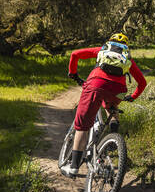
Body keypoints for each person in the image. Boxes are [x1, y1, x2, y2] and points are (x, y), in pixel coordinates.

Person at [61, 33, 146, 177]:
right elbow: (142, 83)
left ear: (110, 42)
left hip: (96, 84)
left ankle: (74, 167)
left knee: (82, 125)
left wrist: (73, 73)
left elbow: (75, 54)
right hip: (118, 90)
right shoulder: (127, 58)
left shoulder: (102, 50)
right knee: (111, 108)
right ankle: (113, 137)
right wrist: (132, 96)